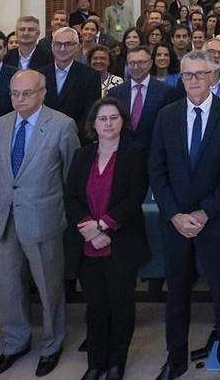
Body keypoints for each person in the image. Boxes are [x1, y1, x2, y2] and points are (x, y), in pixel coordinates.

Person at [149, 51, 220, 380]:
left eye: (199, 74)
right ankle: (175, 359)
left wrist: (205, 212)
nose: (193, 80)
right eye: (187, 75)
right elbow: (156, 171)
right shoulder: (167, 115)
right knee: (176, 293)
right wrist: (175, 214)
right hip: (175, 222)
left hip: (215, 219)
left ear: (212, 75)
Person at [0, 70, 80, 377]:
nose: (19, 99)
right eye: (14, 93)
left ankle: (52, 344)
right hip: (6, 216)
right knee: (10, 286)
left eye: (26, 93)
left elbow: (72, 175)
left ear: (42, 93)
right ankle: (15, 342)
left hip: (43, 218)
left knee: (48, 284)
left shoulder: (62, 125)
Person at [65, 99, 150, 380]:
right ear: (93, 124)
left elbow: (135, 196)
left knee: (120, 304)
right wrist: (87, 227)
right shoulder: (82, 155)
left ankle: (116, 363)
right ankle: (95, 363)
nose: (109, 123)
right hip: (87, 242)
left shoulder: (135, 153)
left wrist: (103, 226)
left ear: (122, 122)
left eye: (114, 118)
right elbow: (71, 197)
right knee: (96, 306)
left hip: (121, 241)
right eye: (103, 119)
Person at [40, 26, 102, 136]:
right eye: (58, 44)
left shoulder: (91, 76)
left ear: (77, 47)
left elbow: (90, 112)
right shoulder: (39, 74)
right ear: (52, 47)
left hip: (76, 137)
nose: (62, 49)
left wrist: (70, 133)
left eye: (68, 44)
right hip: (43, 136)